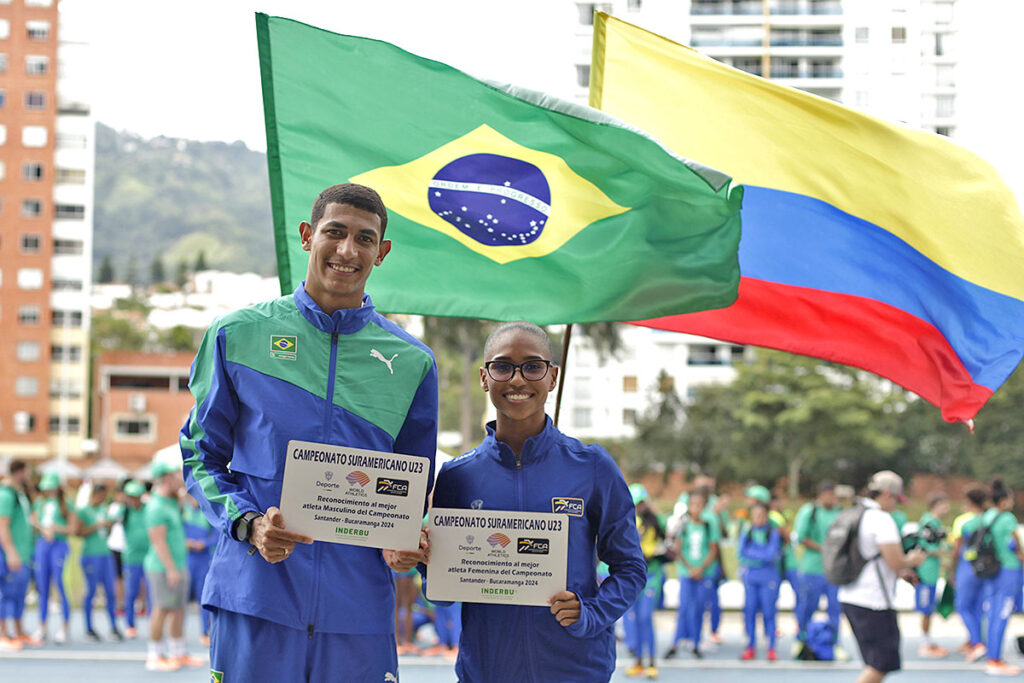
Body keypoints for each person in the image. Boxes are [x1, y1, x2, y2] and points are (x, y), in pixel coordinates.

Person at [180, 183, 438, 682]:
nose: (347, 250)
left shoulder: (412, 362)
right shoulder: (238, 335)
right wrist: (249, 524)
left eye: (365, 239)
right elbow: (198, 454)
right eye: (334, 233)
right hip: (256, 598)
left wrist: (406, 541)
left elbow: (411, 487)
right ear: (306, 236)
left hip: (358, 612)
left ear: (381, 252)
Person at [425, 321, 646, 683]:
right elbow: (444, 593)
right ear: (484, 377)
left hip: (575, 669)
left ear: (553, 376)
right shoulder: (456, 476)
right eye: (502, 366)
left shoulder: (592, 466)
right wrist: (423, 563)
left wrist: (589, 613)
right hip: (487, 669)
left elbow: (631, 568)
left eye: (532, 366)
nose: (517, 379)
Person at [838, 471, 926, 683]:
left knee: (873, 663)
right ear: (887, 494)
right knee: (881, 665)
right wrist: (913, 560)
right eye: (896, 499)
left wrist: (900, 570)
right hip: (873, 601)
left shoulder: (854, 513)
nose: (896, 505)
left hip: (851, 595)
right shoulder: (881, 519)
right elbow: (895, 561)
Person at [144, 460, 203, 672]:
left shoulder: (171, 501)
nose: (181, 478)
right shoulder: (156, 506)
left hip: (179, 564)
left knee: (179, 609)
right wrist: (170, 569)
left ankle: (178, 652)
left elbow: (189, 497)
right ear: (166, 478)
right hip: (162, 568)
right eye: (176, 475)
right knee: (162, 609)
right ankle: (154, 655)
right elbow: (158, 541)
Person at [968, 478, 1023, 676]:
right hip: (1007, 570)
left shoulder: (987, 516)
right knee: (1002, 614)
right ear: (1005, 500)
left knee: (992, 614)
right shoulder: (1007, 519)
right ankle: (995, 660)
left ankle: (993, 655)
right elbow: (1016, 546)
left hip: (990, 570)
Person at [671, 488, 721, 660]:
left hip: (704, 573)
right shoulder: (684, 525)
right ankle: (676, 642)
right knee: (684, 606)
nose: (696, 508)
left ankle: (696, 642)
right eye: (693, 504)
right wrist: (690, 568)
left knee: (699, 608)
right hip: (687, 573)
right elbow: (678, 550)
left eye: (699, 505)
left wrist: (700, 568)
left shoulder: (709, 524)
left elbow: (714, 549)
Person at [625, 484, 666, 679]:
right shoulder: (628, 521)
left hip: (652, 575)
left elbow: (666, 541)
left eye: (641, 503)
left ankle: (651, 662)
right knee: (633, 618)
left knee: (645, 617)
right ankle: (638, 661)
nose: (639, 507)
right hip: (635, 577)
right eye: (635, 503)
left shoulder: (656, 522)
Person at [793, 481, 841, 648]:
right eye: (828, 494)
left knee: (835, 608)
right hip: (812, 568)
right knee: (807, 606)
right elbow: (801, 537)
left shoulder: (840, 513)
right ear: (821, 495)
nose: (831, 498)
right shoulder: (810, 511)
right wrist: (825, 549)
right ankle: (802, 640)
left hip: (834, 570)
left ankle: (834, 643)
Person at [31, 471, 74, 644]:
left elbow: (72, 528)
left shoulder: (66, 504)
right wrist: (43, 529)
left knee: (60, 584)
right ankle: (42, 626)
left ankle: (64, 626)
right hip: (43, 545)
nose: (48, 492)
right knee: (42, 586)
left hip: (59, 545)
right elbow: (34, 521)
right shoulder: (40, 503)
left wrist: (56, 528)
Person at [77, 483, 124, 641]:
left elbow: (107, 531)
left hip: (105, 554)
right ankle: (89, 628)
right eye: (100, 495)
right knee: (91, 592)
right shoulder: (84, 511)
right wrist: (96, 525)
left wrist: (109, 525)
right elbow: (79, 532)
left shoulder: (105, 509)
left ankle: (113, 626)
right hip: (91, 554)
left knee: (111, 592)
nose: (102, 498)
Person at [949, 485, 989, 660]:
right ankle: (975, 641)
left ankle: (977, 642)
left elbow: (956, 550)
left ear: (969, 501)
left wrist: (952, 571)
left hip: (967, 567)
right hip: (986, 569)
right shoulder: (989, 519)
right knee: (978, 608)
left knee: (963, 606)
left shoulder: (963, 521)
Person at [738, 501, 782, 661]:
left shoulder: (773, 533)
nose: (758, 519)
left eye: (762, 516)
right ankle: (750, 646)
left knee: (769, 612)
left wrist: (753, 555)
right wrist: (760, 557)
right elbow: (741, 555)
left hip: (768, 578)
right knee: (749, 611)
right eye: (755, 515)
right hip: (751, 579)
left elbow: (771, 556)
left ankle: (771, 647)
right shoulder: (747, 531)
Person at [0, 460, 35, 650]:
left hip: (24, 553)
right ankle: (3, 634)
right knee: (8, 594)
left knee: (20, 594)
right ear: (20, 472)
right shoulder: (5, 494)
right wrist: (11, 552)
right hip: (12, 554)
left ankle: (19, 631)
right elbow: (2, 525)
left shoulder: (19, 494)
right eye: (27, 472)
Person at [914, 494, 950, 659]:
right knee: (926, 609)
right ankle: (924, 643)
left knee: (930, 608)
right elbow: (924, 548)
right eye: (944, 505)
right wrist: (945, 552)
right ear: (936, 505)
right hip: (925, 572)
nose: (947, 508)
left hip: (932, 572)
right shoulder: (928, 522)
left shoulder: (935, 523)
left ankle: (927, 641)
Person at [181, 491, 217, 646]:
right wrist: (185, 542)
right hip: (186, 559)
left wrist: (204, 543)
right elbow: (175, 533)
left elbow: (216, 535)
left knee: (203, 598)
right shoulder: (183, 512)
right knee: (181, 599)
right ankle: (178, 635)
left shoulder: (208, 512)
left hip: (203, 559)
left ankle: (204, 632)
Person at [119, 480, 150, 639]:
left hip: (149, 557)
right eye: (130, 496)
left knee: (151, 592)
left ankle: (153, 624)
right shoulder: (123, 512)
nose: (133, 499)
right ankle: (130, 625)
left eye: (136, 496)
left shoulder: (149, 509)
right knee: (131, 592)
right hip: (131, 558)